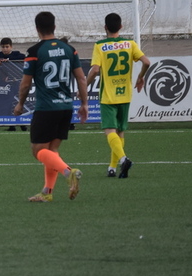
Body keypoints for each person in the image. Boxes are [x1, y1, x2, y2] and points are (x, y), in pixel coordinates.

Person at [13, 12, 88, 202]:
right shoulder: (69, 49)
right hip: (66, 107)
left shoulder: (35, 51)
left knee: (38, 151)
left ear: (37, 29)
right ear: (54, 27)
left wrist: (20, 104)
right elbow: (81, 78)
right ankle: (47, 193)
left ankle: (68, 172)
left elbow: (25, 84)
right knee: (51, 151)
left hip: (46, 108)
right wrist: (84, 104)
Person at [85, 13, 151, 178]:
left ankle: (123, 160)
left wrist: (84, 85)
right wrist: (141, 77)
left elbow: (94, 70)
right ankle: (112, 168)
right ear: (121, 27)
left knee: (109, 131)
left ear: (105, 27)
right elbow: (147, 62)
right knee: (120, 132)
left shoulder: (100, 45)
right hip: (125, 94)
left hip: (108, 95)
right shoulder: (130, 44)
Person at [0, 38, 27, 131]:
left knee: (18, 103)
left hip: (16, 82)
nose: (5, 49)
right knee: (9, 104)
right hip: (5, 84)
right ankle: (12, 125)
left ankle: (23, 125)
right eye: (3, 47)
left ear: (11, 47)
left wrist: (8, 59)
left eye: (7, 47)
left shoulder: (15, 54)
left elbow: (24, 57)